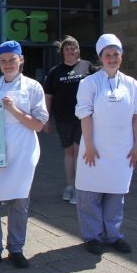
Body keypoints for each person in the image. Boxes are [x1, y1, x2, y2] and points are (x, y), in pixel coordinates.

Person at [0, 41, 48, 269]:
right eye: (3, 60)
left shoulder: (33, 88)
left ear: (21, 60)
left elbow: (39, 124)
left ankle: (16, 249)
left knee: (18, 203)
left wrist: (13, 110)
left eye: (12, 60)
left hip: (22, 153)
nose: (7, 64)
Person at [75, 34, 137, 255]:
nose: (112, 58)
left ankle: (113, 235)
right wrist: (89, 144)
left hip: (122, 149)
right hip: (94, 146)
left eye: (116, 54)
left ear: (121, 56)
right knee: (89, 195)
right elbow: (85, 114)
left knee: (116, 195)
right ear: (101, 57)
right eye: (108, 55)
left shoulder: (132, 84)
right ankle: (92, 236)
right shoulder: (89, 83)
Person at [44, 36, 95, 205]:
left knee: (80, 151)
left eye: (73, 48)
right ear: (62, 51)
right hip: (62, 118)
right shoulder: (55, 71)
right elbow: (48, 96)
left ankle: (80, 188)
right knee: (68, 153)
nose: (70, 51)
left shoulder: (88, 66)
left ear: (78, 50)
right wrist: (46, 119)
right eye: (67, 48)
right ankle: (70, 185)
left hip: (84, 118)